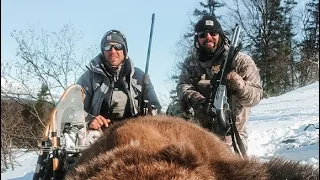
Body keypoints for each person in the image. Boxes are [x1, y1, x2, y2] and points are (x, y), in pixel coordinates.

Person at [176, 15, 263, 152]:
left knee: (230, 168)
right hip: (199, 131)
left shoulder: (241, 61)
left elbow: (255, 97)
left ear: (220, 35)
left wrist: (240, 85)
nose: (208, 37)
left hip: (233, 132)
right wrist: (198, 100)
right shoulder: (191, 63)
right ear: (197, 39)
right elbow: (183, 87)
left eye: (213, 33)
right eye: (203, 34)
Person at [77, 29, 161, 130]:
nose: (113, 51)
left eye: (118, 47)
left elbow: (156, 108)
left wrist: (149, 116)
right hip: (98, 135)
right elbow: (72, 109)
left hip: (134, 133)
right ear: (102, 51)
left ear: (125, 51)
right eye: (107, 47)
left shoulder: (140, 77)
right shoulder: (89, 76)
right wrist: (89, 120)